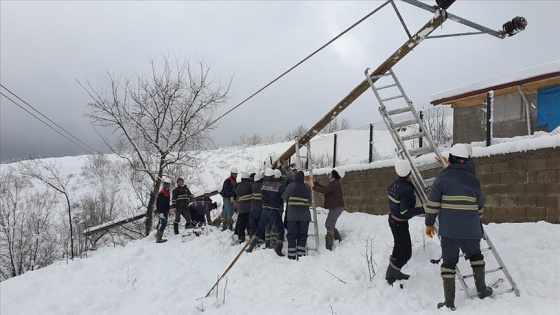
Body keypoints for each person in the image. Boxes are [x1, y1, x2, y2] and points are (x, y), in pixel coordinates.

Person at [425, 144, 492, 311]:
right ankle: (482, 291)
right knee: (476, 256)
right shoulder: (474, 180)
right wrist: (475, 223)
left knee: (448, 263)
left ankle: (449, 303)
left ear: (451, 157)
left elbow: (433, 203)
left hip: (450, 232)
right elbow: (480, 206)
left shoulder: (442, 178)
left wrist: (429, 223)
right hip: (471, 230)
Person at [385, 159, 425, 284]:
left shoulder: (393, 185)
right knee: (406, 252)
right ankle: (391, 275)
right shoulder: (406, 190)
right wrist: (422, 210)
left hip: (393, 220)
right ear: (409, 171)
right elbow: (405, 211)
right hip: (399, 223)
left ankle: (394, 272)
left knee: (398, 247)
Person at [246, 167, 286, 256]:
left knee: (260, 229)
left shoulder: (262, 185)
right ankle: (278, 250)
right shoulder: (278, 186)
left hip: (264, 209)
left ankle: (250, 247)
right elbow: (285, 195)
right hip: (274, 210)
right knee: (280, 230)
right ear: (273, 176)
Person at [307, 168, 345, 250]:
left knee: (329, 225)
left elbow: (324, 190)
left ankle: (329, 247)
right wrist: (316, 183)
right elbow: (325, 188)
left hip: (337, 207)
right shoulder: (334, 183)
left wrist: (313, 186)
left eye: (331, 174)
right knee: (329, 224)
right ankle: (339, 240)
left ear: (334, 175)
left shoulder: (335, 183)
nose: (329, 175)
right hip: (336, 207)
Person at [283, 171, 312, 260]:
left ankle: (291, 256)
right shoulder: (308, 187)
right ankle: (301, 255)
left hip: (292, 216)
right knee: (302, 236)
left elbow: (284, 196)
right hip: (305, 216)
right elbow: (310, 201)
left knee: (292, 236)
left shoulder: (290, 186)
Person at [235, 172, 253, 243]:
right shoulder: (250, 185)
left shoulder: (238, 186)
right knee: (250, 222)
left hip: (241, 208)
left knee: (241, 223)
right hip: (249, 207)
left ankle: (241, 237)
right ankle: (250, 235)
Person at [248, 172, 264, 239]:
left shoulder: (253, 186)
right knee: (261, 225)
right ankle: (260, 238)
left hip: (252, 208)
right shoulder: (263, 185)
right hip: (260, 208)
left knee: (253, 225)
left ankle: (252, 238)